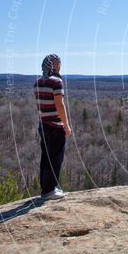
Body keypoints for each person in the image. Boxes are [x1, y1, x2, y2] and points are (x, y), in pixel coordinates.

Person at [34, 54, 72, 200]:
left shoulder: (37, 82)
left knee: (45, 158)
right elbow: (59, 105)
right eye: (59, 63)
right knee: (56, 159)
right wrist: (66, 125)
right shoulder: (56, 82)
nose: (61, 66)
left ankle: (46, 188)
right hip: (55, 126)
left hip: (43, 124)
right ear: (55, 64)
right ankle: (49, 191)